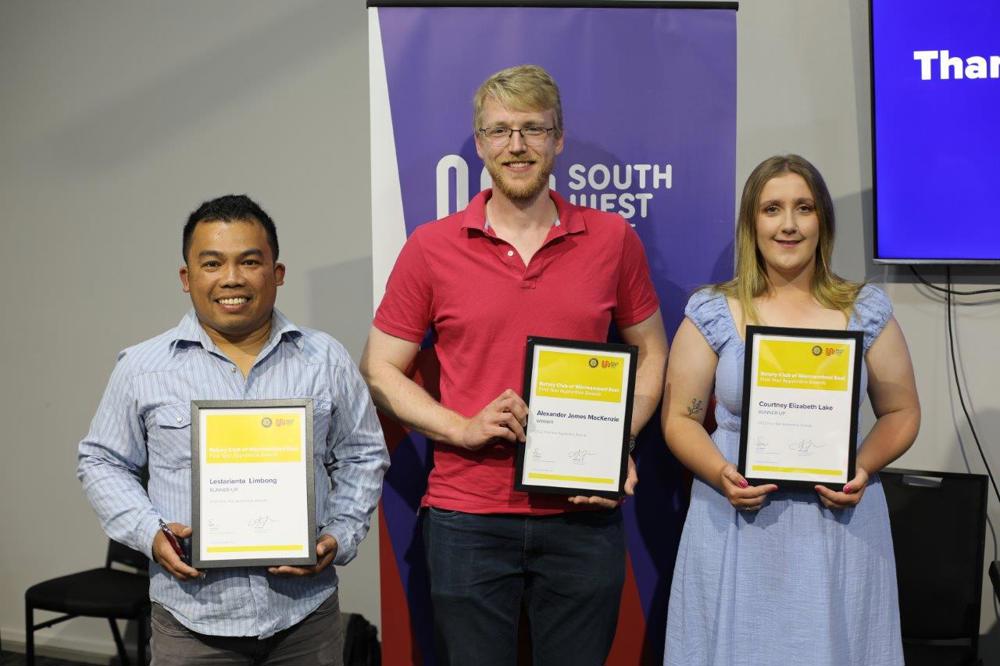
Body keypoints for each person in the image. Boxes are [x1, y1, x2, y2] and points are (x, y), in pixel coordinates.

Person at [360, 64, 668, 665]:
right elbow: (379, 368)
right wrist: (461, 427)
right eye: (500, 131)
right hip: (466, 516)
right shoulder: (432, 246)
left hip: (582, 514)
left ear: (558, 139)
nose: (516, 145)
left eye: (532, 129)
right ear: (479, 143)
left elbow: (652, 350)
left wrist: (618, 440)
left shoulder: (611, 239)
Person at [78, 194, 389, 666]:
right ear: (187, 278)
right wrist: (149, 532)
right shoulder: (142, 367)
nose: (231, 279)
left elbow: (364, 454)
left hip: (303, 619)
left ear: (276, 272)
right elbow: (101, 460)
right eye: (212, 263)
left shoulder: (323, 359)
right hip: (191, 622)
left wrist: (340, 533)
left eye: (249, 261)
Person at [661, 154, 920, 665]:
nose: (788, 224)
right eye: (771, 208)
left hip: (839, 522)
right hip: (733, 516)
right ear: (750, 223)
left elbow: (902, 412)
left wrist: (862, 469)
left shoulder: (864, 309)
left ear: (822, 219)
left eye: (803, 208)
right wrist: (721, 474)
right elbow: (680, 418)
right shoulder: (714, 309)